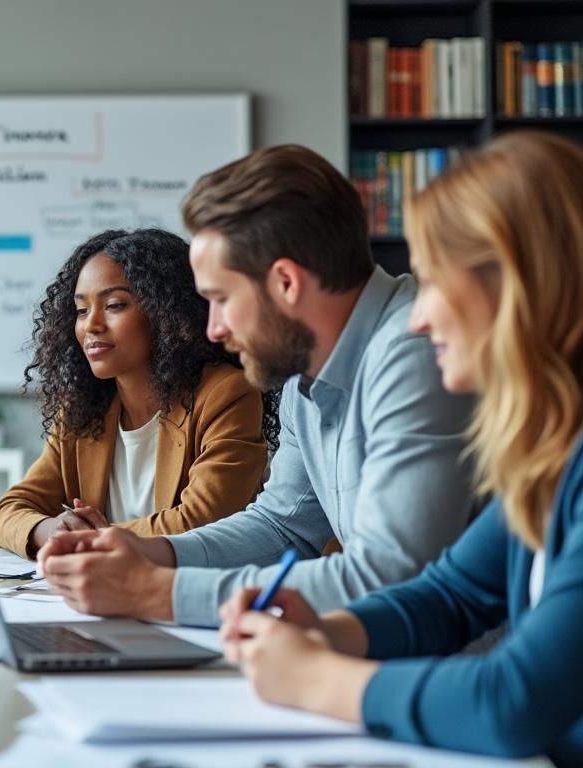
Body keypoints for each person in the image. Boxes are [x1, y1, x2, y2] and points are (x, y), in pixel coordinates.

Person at [220, 131, 583, 765]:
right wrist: (324, 630)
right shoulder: (552, 451)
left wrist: (315, 678)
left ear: (513, 288)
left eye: (436, 281)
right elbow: (453, 594)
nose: (419, 316)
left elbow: (512, 701)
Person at [38, 144, 477, 627]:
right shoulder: (303, 371)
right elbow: (282, 526)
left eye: (222, 299)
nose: (213, 330)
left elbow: (391, 575)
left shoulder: (416, 352)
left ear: (286, 283)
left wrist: (156, 592)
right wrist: (151, 551)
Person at [0, 228, 276, 558]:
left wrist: (90, 540)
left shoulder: (227, 393)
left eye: (114, 305)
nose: (91, 325)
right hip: (103, 594)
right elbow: (10, 510)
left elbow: (203, 520)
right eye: (82, 310)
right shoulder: (83, 410)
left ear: (166, 313)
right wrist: (52, 530)